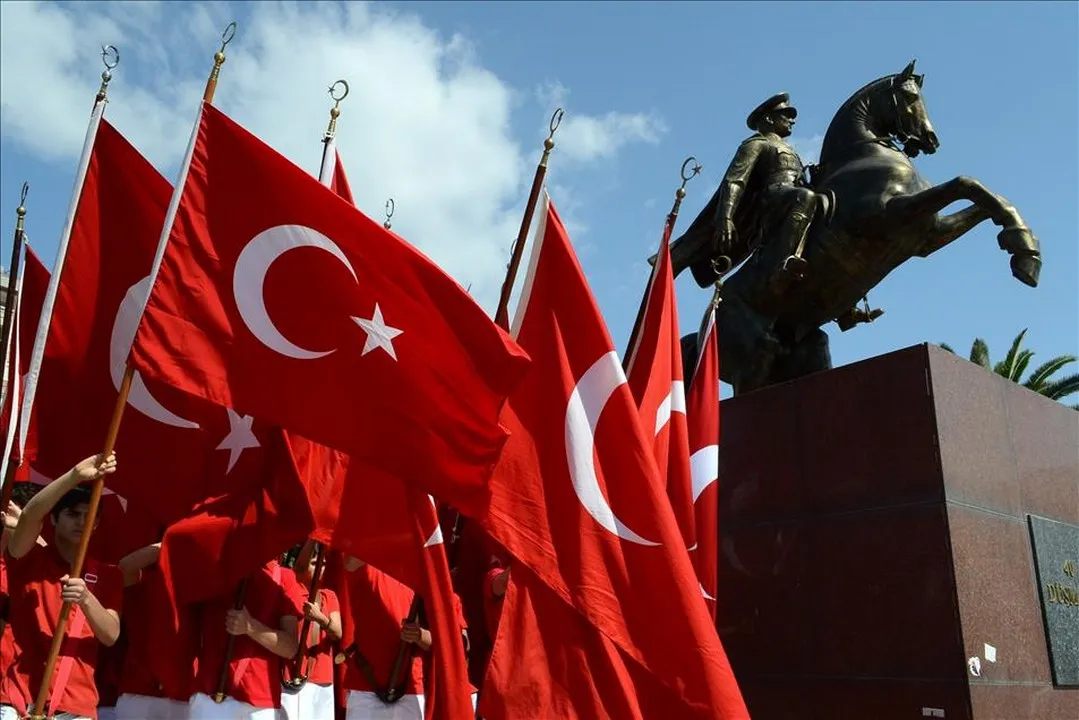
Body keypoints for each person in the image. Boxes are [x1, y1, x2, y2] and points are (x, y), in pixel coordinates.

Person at [1, 453, 121, 720]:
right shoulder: (28, 559)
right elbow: (30, 516)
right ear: (53, 519)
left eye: (89, 515)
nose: (81, 521)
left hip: (75, 703)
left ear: (96, 523)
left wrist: (86, 598)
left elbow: (111, 635)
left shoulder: (109, 575)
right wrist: (74, 475)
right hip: (17, 697)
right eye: (72, 514)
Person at [187, 559, 304, 720]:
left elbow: (290, 648)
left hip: (259, 699)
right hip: (208, 694)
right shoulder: (212, 571)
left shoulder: (284, 578)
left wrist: (250, 627)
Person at [113, 538, 198, 720]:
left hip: (186, 695)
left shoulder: (202, 585)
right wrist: (174, 542)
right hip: (138, 691)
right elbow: (123, 568)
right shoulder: (146, 576)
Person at [340, 557, 429, 720]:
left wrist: (419, 635)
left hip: (410, 685)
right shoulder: (364, 564)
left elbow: (438, 640)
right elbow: (350, 561)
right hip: (366, 686)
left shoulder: (417, 574)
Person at [281, 541, 341, 720]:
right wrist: (315, 537)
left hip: (322, 678)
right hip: (293, 677)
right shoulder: (291, 591)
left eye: (323, 564)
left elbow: (337, 633)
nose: (320, 568)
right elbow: (300, 566)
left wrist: (320, 617)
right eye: (315, 563)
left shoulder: (329, 596)